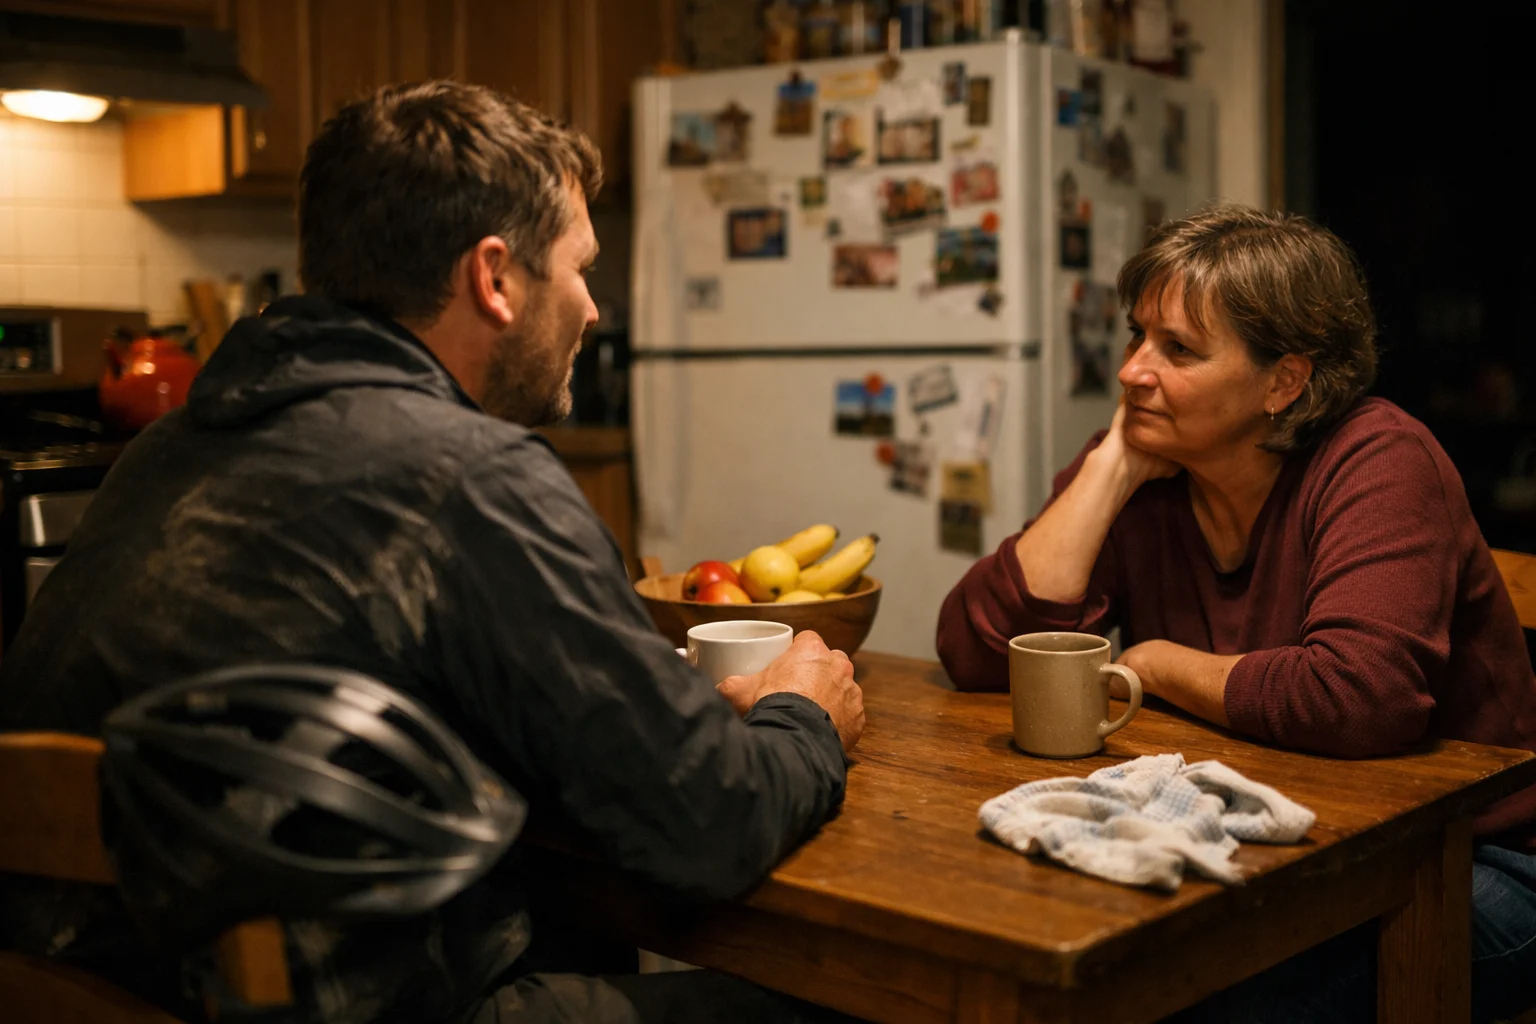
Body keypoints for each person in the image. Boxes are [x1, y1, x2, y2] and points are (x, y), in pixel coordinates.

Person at [0, 81, 864, 1024]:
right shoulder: (467, 477)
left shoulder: (167, 447)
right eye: (579, 270)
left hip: (86, 991)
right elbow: (714, 824)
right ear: (495, 279)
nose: (592, 310)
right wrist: (799, 713)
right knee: (869, 1006)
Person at [935, 206, 1536, 1023]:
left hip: (1474, 859)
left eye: (1177, 349)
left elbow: (1360, 697)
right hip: (1270, 842)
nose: (1132, 372)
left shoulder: (1379, 457)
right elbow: (975, 656)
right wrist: (1111, 467)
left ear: (1284, 382)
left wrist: (1153, 663)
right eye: (1136, 336)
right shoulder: (1155, 459)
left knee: (1199, 997)